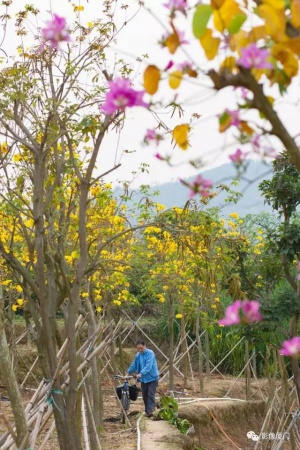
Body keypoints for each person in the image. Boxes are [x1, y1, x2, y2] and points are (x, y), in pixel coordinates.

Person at [127, 340, 159, 417]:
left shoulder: (150, 353)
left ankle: (150, 411)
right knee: (145, 395)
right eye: (138, 349)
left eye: (141, 348)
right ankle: (147, 411)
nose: (140, 350)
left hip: (152, 378)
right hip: (144, 379)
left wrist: (140, 374)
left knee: (150, 394)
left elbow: (148, 366)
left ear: (145, 346)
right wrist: (128, 373)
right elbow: (134, 364)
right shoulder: (138, 355)